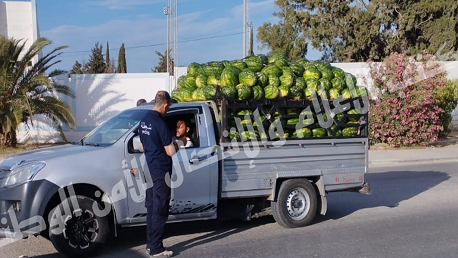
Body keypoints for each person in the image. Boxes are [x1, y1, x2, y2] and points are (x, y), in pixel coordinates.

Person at [138, 91, 177, 257]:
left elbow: (142, 146)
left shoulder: (144, 119)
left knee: (152, 207)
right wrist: (180, 141)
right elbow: (170, 151)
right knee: (160, 209)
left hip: (149, 169)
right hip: (161, 171)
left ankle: (150, 244)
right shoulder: (160, 123)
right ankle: (156, 249)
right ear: (166, 104)